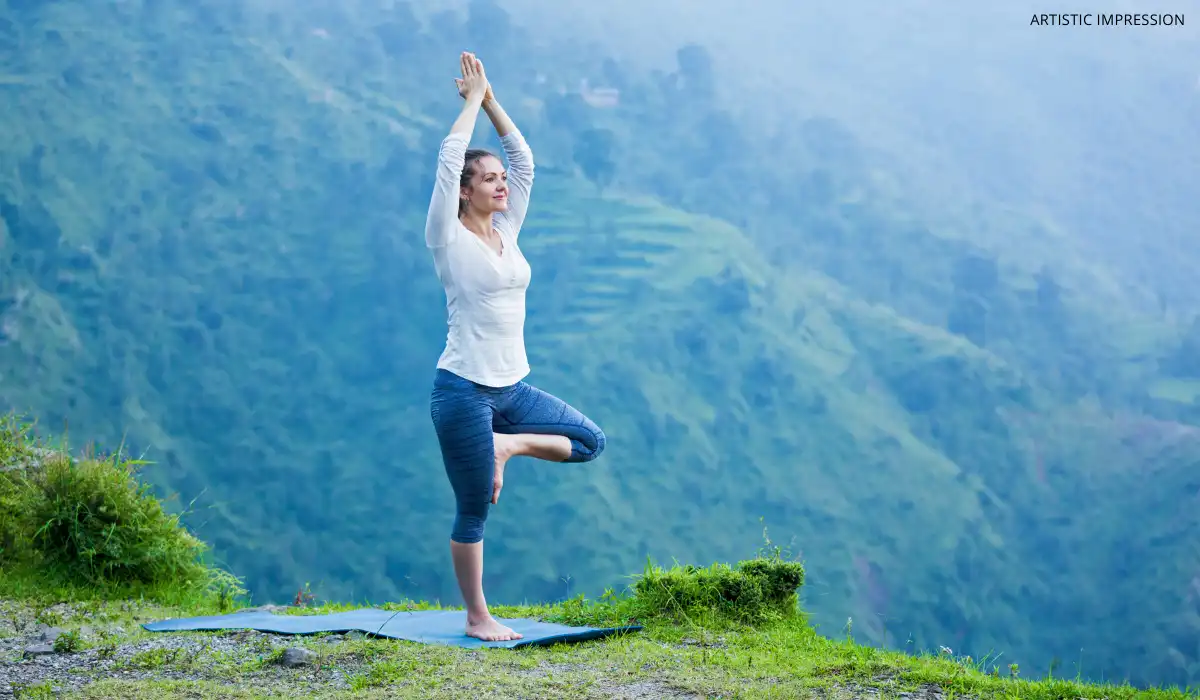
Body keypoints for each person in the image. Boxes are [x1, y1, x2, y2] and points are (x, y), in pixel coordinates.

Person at [425, 52, 607, 642]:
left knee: (590, 441)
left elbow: (524, 161)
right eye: (488, 179)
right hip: (462, 391)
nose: (501, 183)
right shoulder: (446, 237)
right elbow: (449, 157)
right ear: (463, 193)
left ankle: (508, 446)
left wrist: (492, 100)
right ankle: (477, 616)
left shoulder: (508, 229)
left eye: (499, 179)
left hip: (512, 389)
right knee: (473, 507)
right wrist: (469, 106)